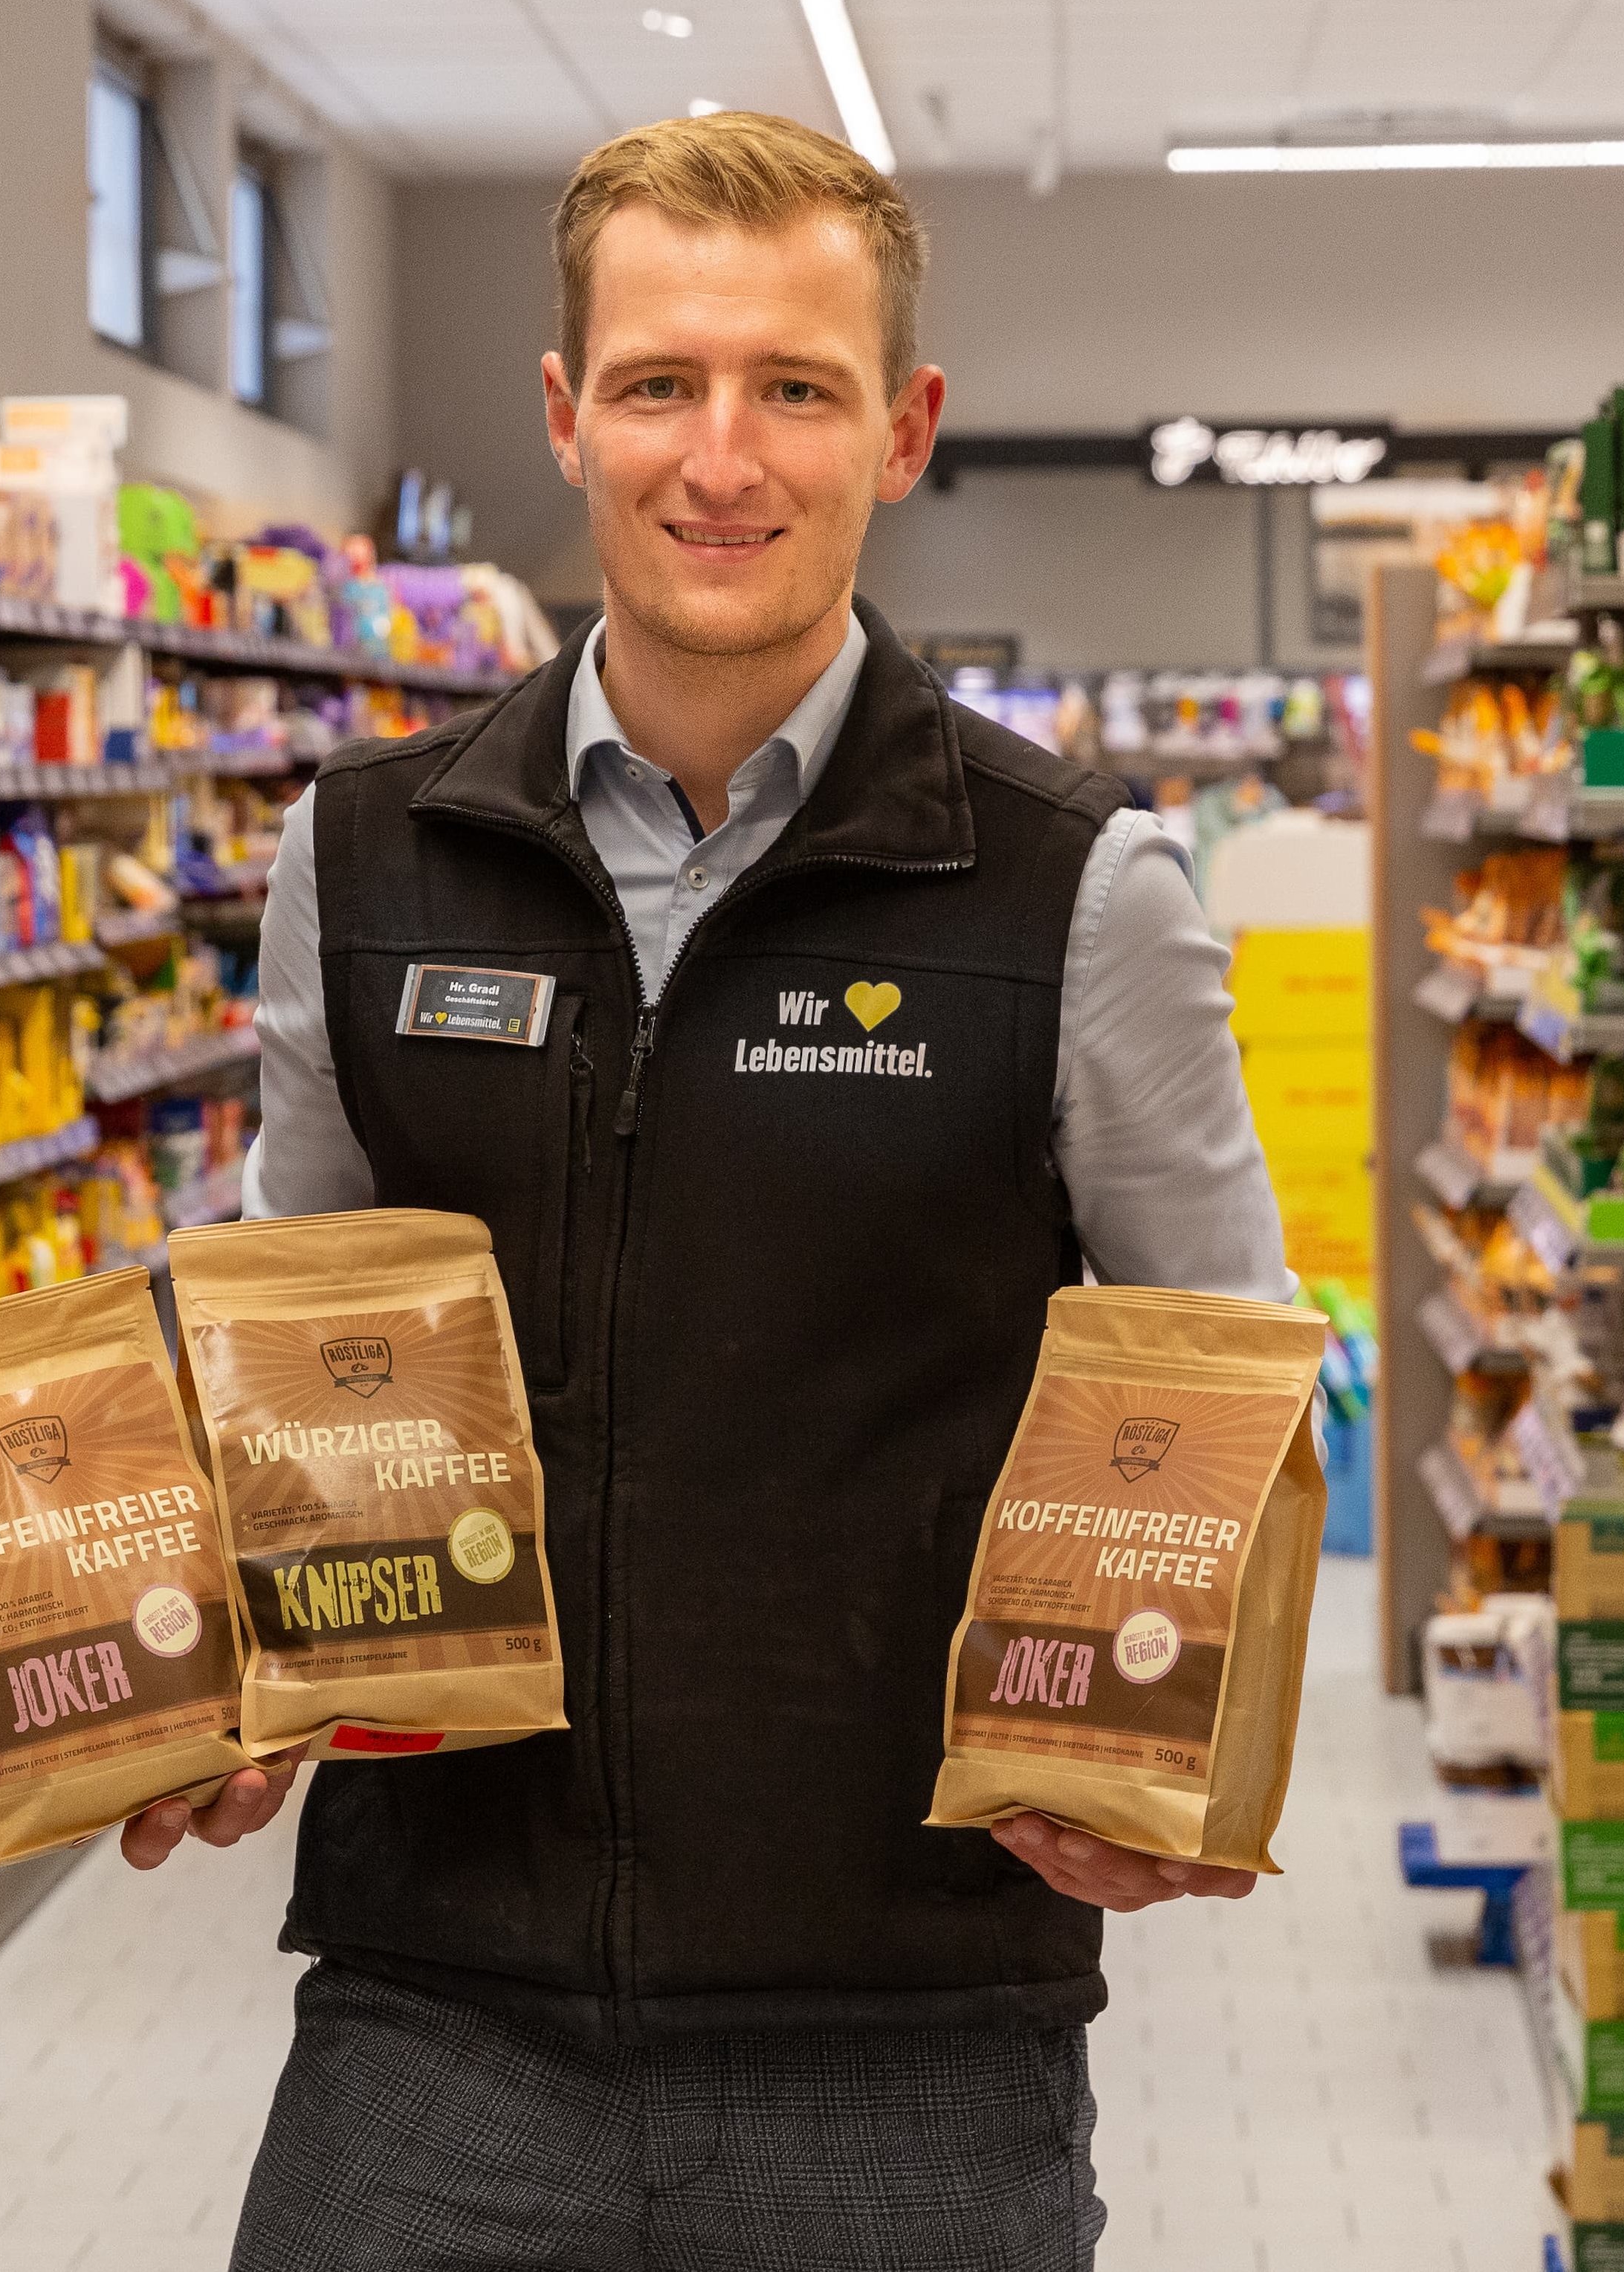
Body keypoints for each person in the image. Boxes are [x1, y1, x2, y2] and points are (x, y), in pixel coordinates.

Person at [136, 110, 1296, 2270]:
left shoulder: (1074, 888)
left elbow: (1229, 1375)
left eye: (796, 388)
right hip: (433, 2011)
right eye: (662, 384)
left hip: (909, 2032)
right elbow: (294, 1342)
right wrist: (221, 1671)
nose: (722, 459)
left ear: (905, 428)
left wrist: (1176, 1741)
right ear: (569, 417)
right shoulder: (364, 857)